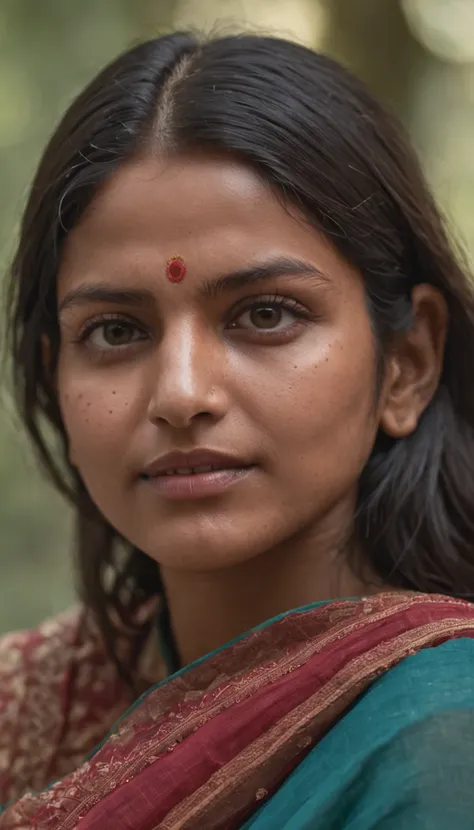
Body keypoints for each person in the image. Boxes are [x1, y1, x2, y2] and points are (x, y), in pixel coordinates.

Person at [1, 30, 474, 829]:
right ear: (55, 374)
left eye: (264, 315)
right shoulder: (31, 710)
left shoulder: (439, 750)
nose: (181, 395)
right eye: (116, 331)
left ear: (407, 362)